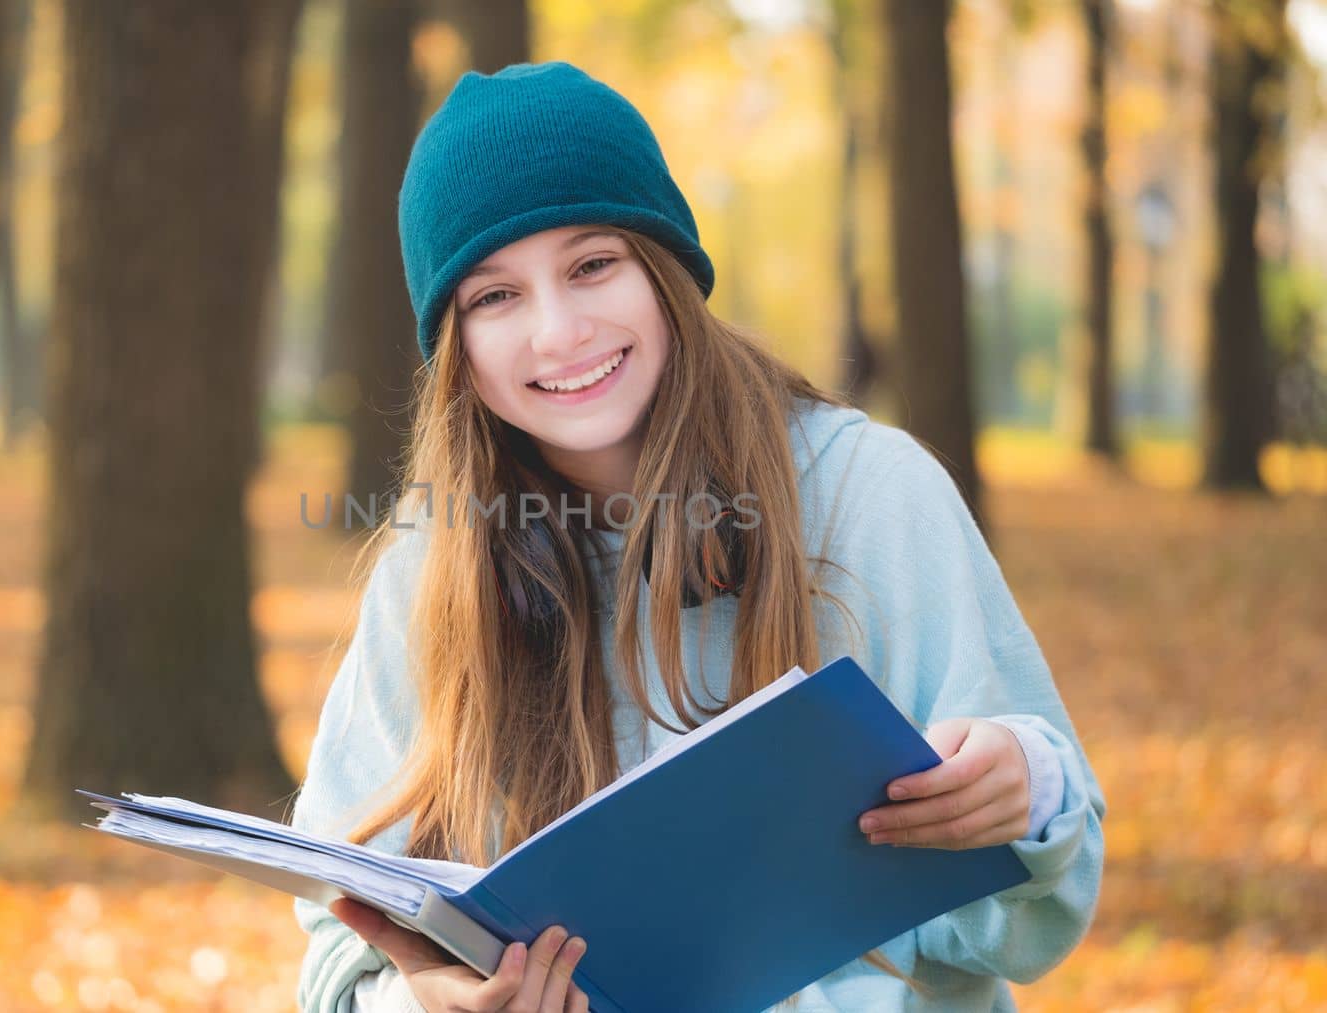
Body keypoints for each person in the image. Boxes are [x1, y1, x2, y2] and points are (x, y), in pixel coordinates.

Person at [289, 60, 1105, 1013]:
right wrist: (424, 1004)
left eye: (593, 265)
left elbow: (1037, 910)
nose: (558, 332)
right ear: (455, 347)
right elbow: (336, 946)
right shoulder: (432, 573)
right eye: (494, 297)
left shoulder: (868, 494)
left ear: (665, 273)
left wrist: (1027, 786)